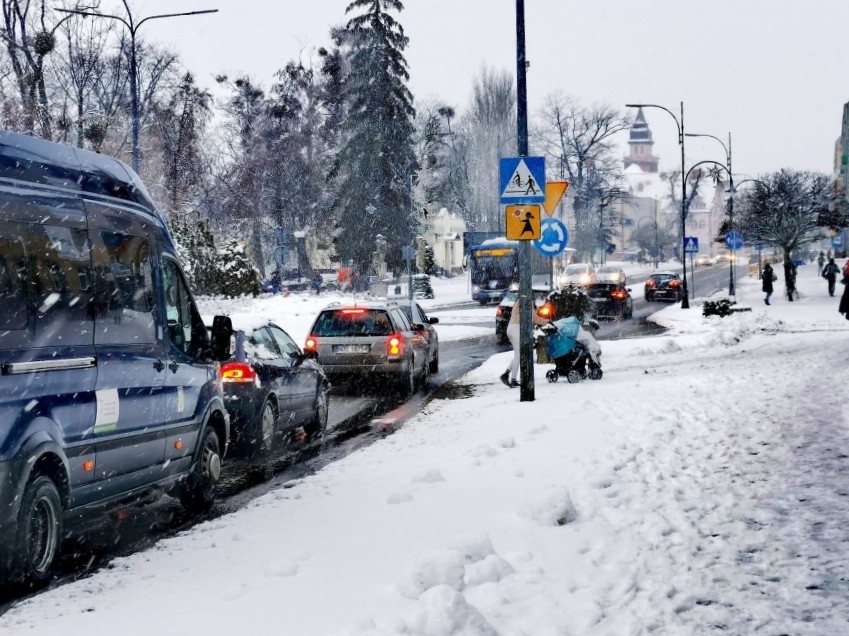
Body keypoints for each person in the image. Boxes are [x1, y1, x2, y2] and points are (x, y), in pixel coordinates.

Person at [501, 298, 548, 388]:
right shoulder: (527, 300)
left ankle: (506, 374)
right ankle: (513, 380)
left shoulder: (518, 301)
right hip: (516, 329)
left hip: (510, 328)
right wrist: (546, 321)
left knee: (518, 355)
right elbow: (535, 318)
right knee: (518, 356)